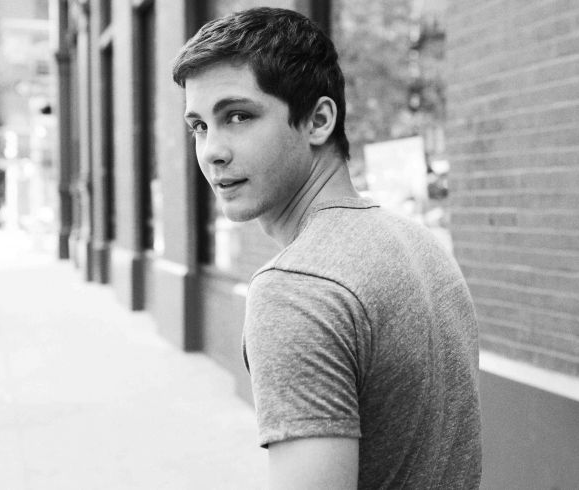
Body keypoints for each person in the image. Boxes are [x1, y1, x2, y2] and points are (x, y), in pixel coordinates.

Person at [172, 7, 481, 489]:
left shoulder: (296, 291)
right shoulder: (422, 245)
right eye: (200, 126)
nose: (212, 150)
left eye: (238, 116)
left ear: (318, 120)